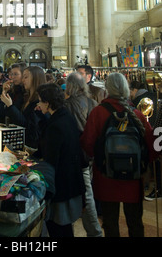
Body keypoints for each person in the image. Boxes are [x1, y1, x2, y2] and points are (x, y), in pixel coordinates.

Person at [81, 72, 157, 237]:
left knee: (110, 223)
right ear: (126, 89)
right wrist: (143, 166)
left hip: (106, 176)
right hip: (133, 177)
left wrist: (100, 159)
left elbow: (87, 143)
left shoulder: (98, 112)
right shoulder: (136, 114)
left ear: (107, 89)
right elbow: (150, 144)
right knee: (135, 222)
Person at [35, 83, 86, 238]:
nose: (38, 104)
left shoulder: (56, 126)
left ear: (48, 103)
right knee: (63, 227)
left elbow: (51, 161)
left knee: (58, 227)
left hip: (61, 186)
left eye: (40, 101)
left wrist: (46, 195)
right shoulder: (64, 116)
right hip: (71, 181)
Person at [63, 72, 102, 237]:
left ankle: (93, 231)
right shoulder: (93, 102)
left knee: (77, 194)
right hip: (88, 154)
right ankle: (94, 232)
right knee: (87, 193)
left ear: (70, 86)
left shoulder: (67, 105)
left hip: (73, 155)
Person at [0, 65, 47, 149]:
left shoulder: (39, 102)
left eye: (26, 77)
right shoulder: (26, 97)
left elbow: (27, 126)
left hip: (32, 146)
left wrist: (10, 106)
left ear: (35, 79)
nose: (23, 80)